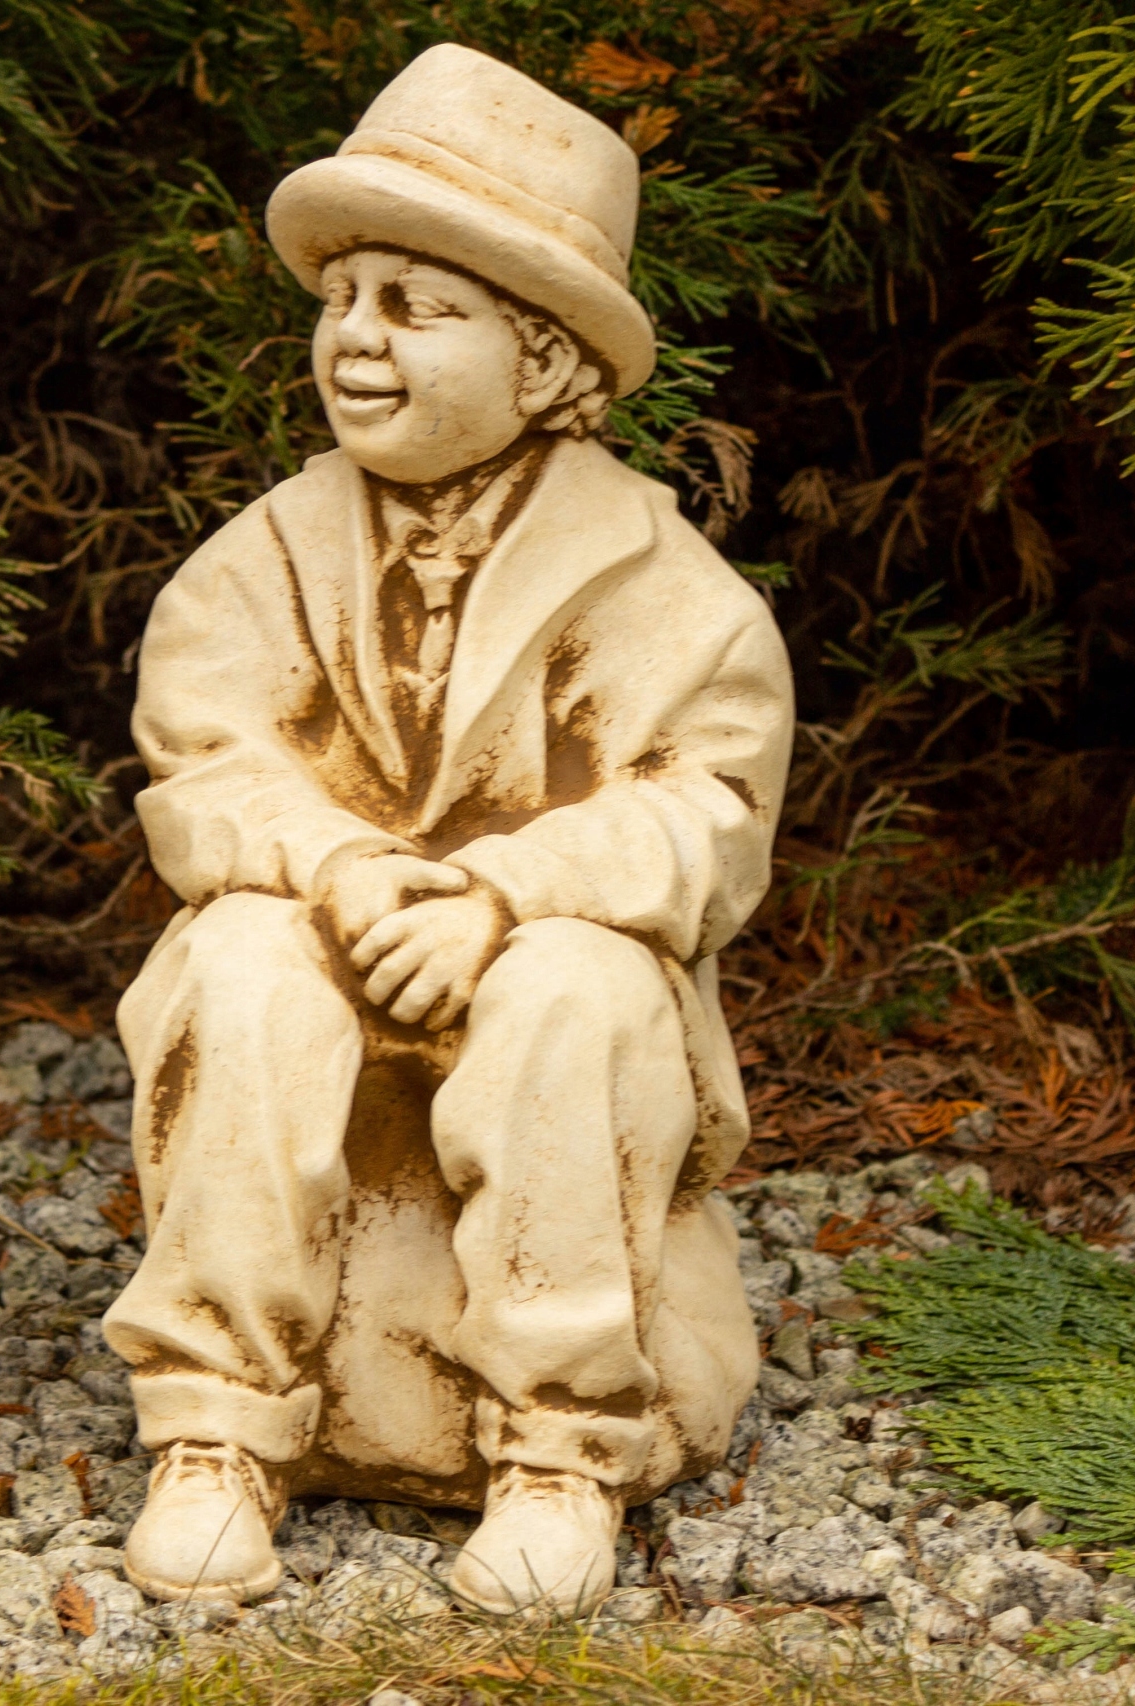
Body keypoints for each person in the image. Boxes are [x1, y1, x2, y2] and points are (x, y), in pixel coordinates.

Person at [109, 45, 795, 1613]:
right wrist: (342, 864)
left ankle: (558, 1442)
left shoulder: (660, 584)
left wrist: (502, 891)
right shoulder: (264, 555)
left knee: (580, 986)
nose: (357, 336)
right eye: (342, 298)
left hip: (538, 964)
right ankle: (219, 1421)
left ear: (545, 362)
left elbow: (705, 811)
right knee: (238, 962)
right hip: (338, 939)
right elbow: (204, 761)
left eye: (416, 307)